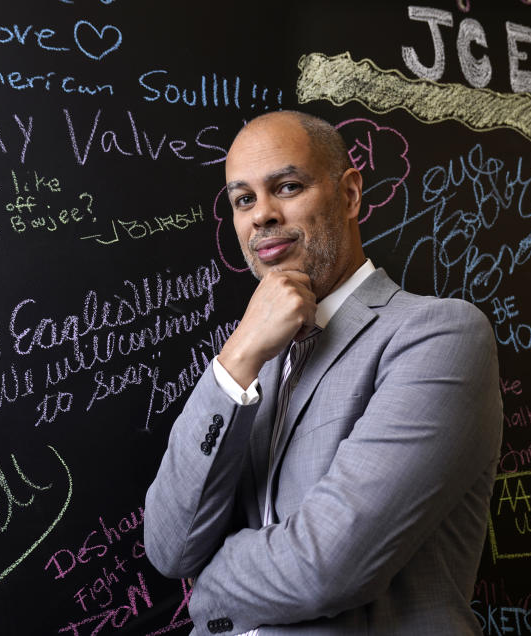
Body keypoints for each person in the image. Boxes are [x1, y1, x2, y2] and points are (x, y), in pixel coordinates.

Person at [144, 110, 502, 635]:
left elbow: (327, 567)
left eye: (286, 187)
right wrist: (240, 354)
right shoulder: (250, 363)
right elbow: (171, 548)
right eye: (244, 199)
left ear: (350, 194)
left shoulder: (438, 336)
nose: (262, 215)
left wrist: (208, 588)